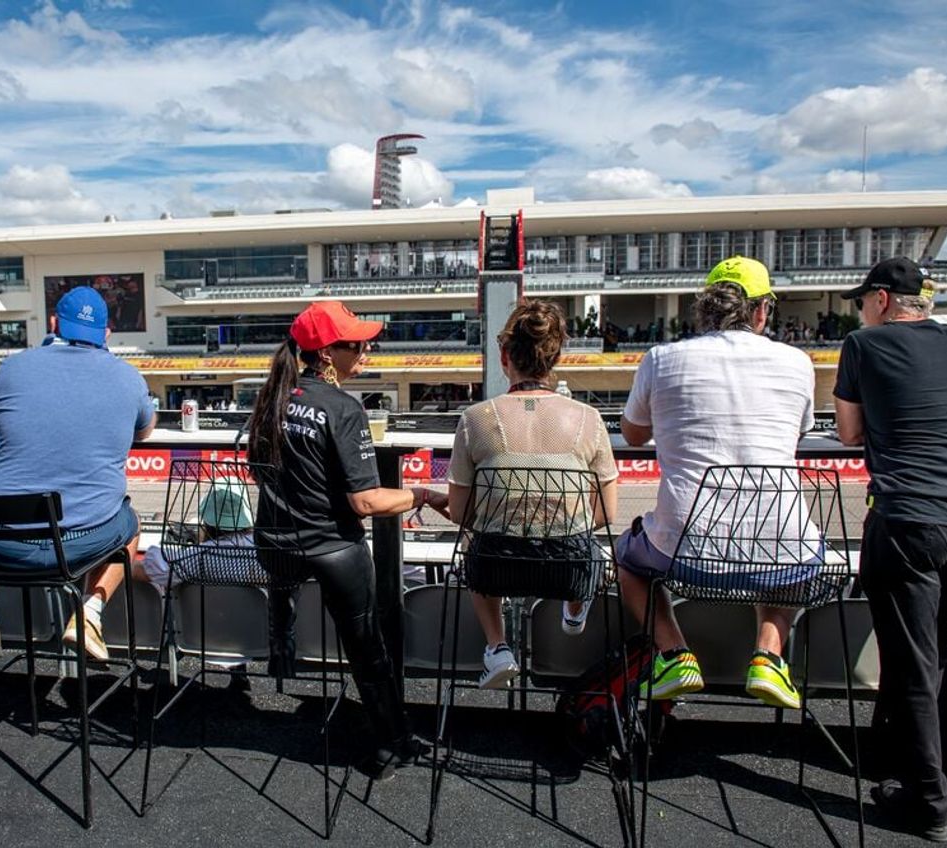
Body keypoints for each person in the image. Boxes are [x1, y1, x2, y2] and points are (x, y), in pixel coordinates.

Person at [248, 300, 447, 781]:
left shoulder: (272, 396)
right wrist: (423, 493)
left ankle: (283, 637)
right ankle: (390, 745)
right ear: (328, 353)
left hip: (274, 546)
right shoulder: (342, 407)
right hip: (329, 549)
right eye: (358, 343)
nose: (367, 348)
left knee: (316, 589)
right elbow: (366, 503)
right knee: (369, 648)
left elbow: (258, 470)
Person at [617, 256, 817, 710]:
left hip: (683, 550)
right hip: (781, 546)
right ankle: (768, 655)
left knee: (627, 557)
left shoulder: (662, 358)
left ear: (704, 310)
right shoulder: (797, 362)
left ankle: (674, 653)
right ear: (763, 311)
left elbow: (632, 434)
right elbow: (796, 433)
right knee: (792, 555)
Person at [0, 286, 155, 664]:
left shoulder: (12, 368)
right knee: (131, 522)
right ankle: (89, 614)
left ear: (54, 324)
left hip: (4, 541)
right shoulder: (128, 377)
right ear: (106, 334)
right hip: (82, 544)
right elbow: (144, 430)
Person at [835, 257, 947, 843]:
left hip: (908, 520)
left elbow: (849, 434)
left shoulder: (864, 344)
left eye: (864, 299)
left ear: (883, 300)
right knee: (939, 651)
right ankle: (904, 760)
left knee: (913, 662)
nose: (860, 309)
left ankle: (929, 802)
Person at [446, 299, 619, 689]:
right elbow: (606, 513)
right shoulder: (589, 419)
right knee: (590, 544)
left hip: (496, 566)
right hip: (569, 569)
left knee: (476, 540)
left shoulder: (475, 419)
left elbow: (460, 513)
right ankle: (574, 611)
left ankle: (497, 646)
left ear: (505, 354)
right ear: (556, 356)